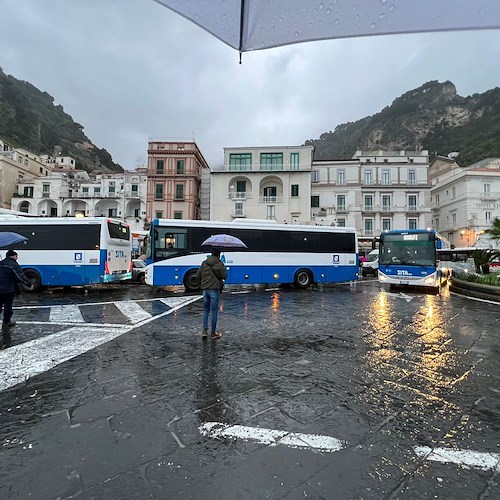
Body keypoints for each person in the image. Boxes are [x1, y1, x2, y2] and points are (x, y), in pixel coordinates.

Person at [195, 248, 227, 340]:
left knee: (206, 310)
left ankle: (205, 331)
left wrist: (201, 285)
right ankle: (213, 333)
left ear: (211, 254)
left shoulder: (204, 263)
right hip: (214, 289)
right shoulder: (220, 263)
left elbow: (197, 275)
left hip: (205, 290)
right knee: (214, 312)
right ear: (219, 255)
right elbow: (224, 276)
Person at [0, 249, 31, 330]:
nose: (17, 258)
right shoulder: (13, 265)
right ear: (13, 256)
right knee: (8, 306)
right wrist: (28, 283)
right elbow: (20, 276)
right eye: (16, 256)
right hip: (8, 289)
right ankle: (6, 322)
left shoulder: (1, 263)